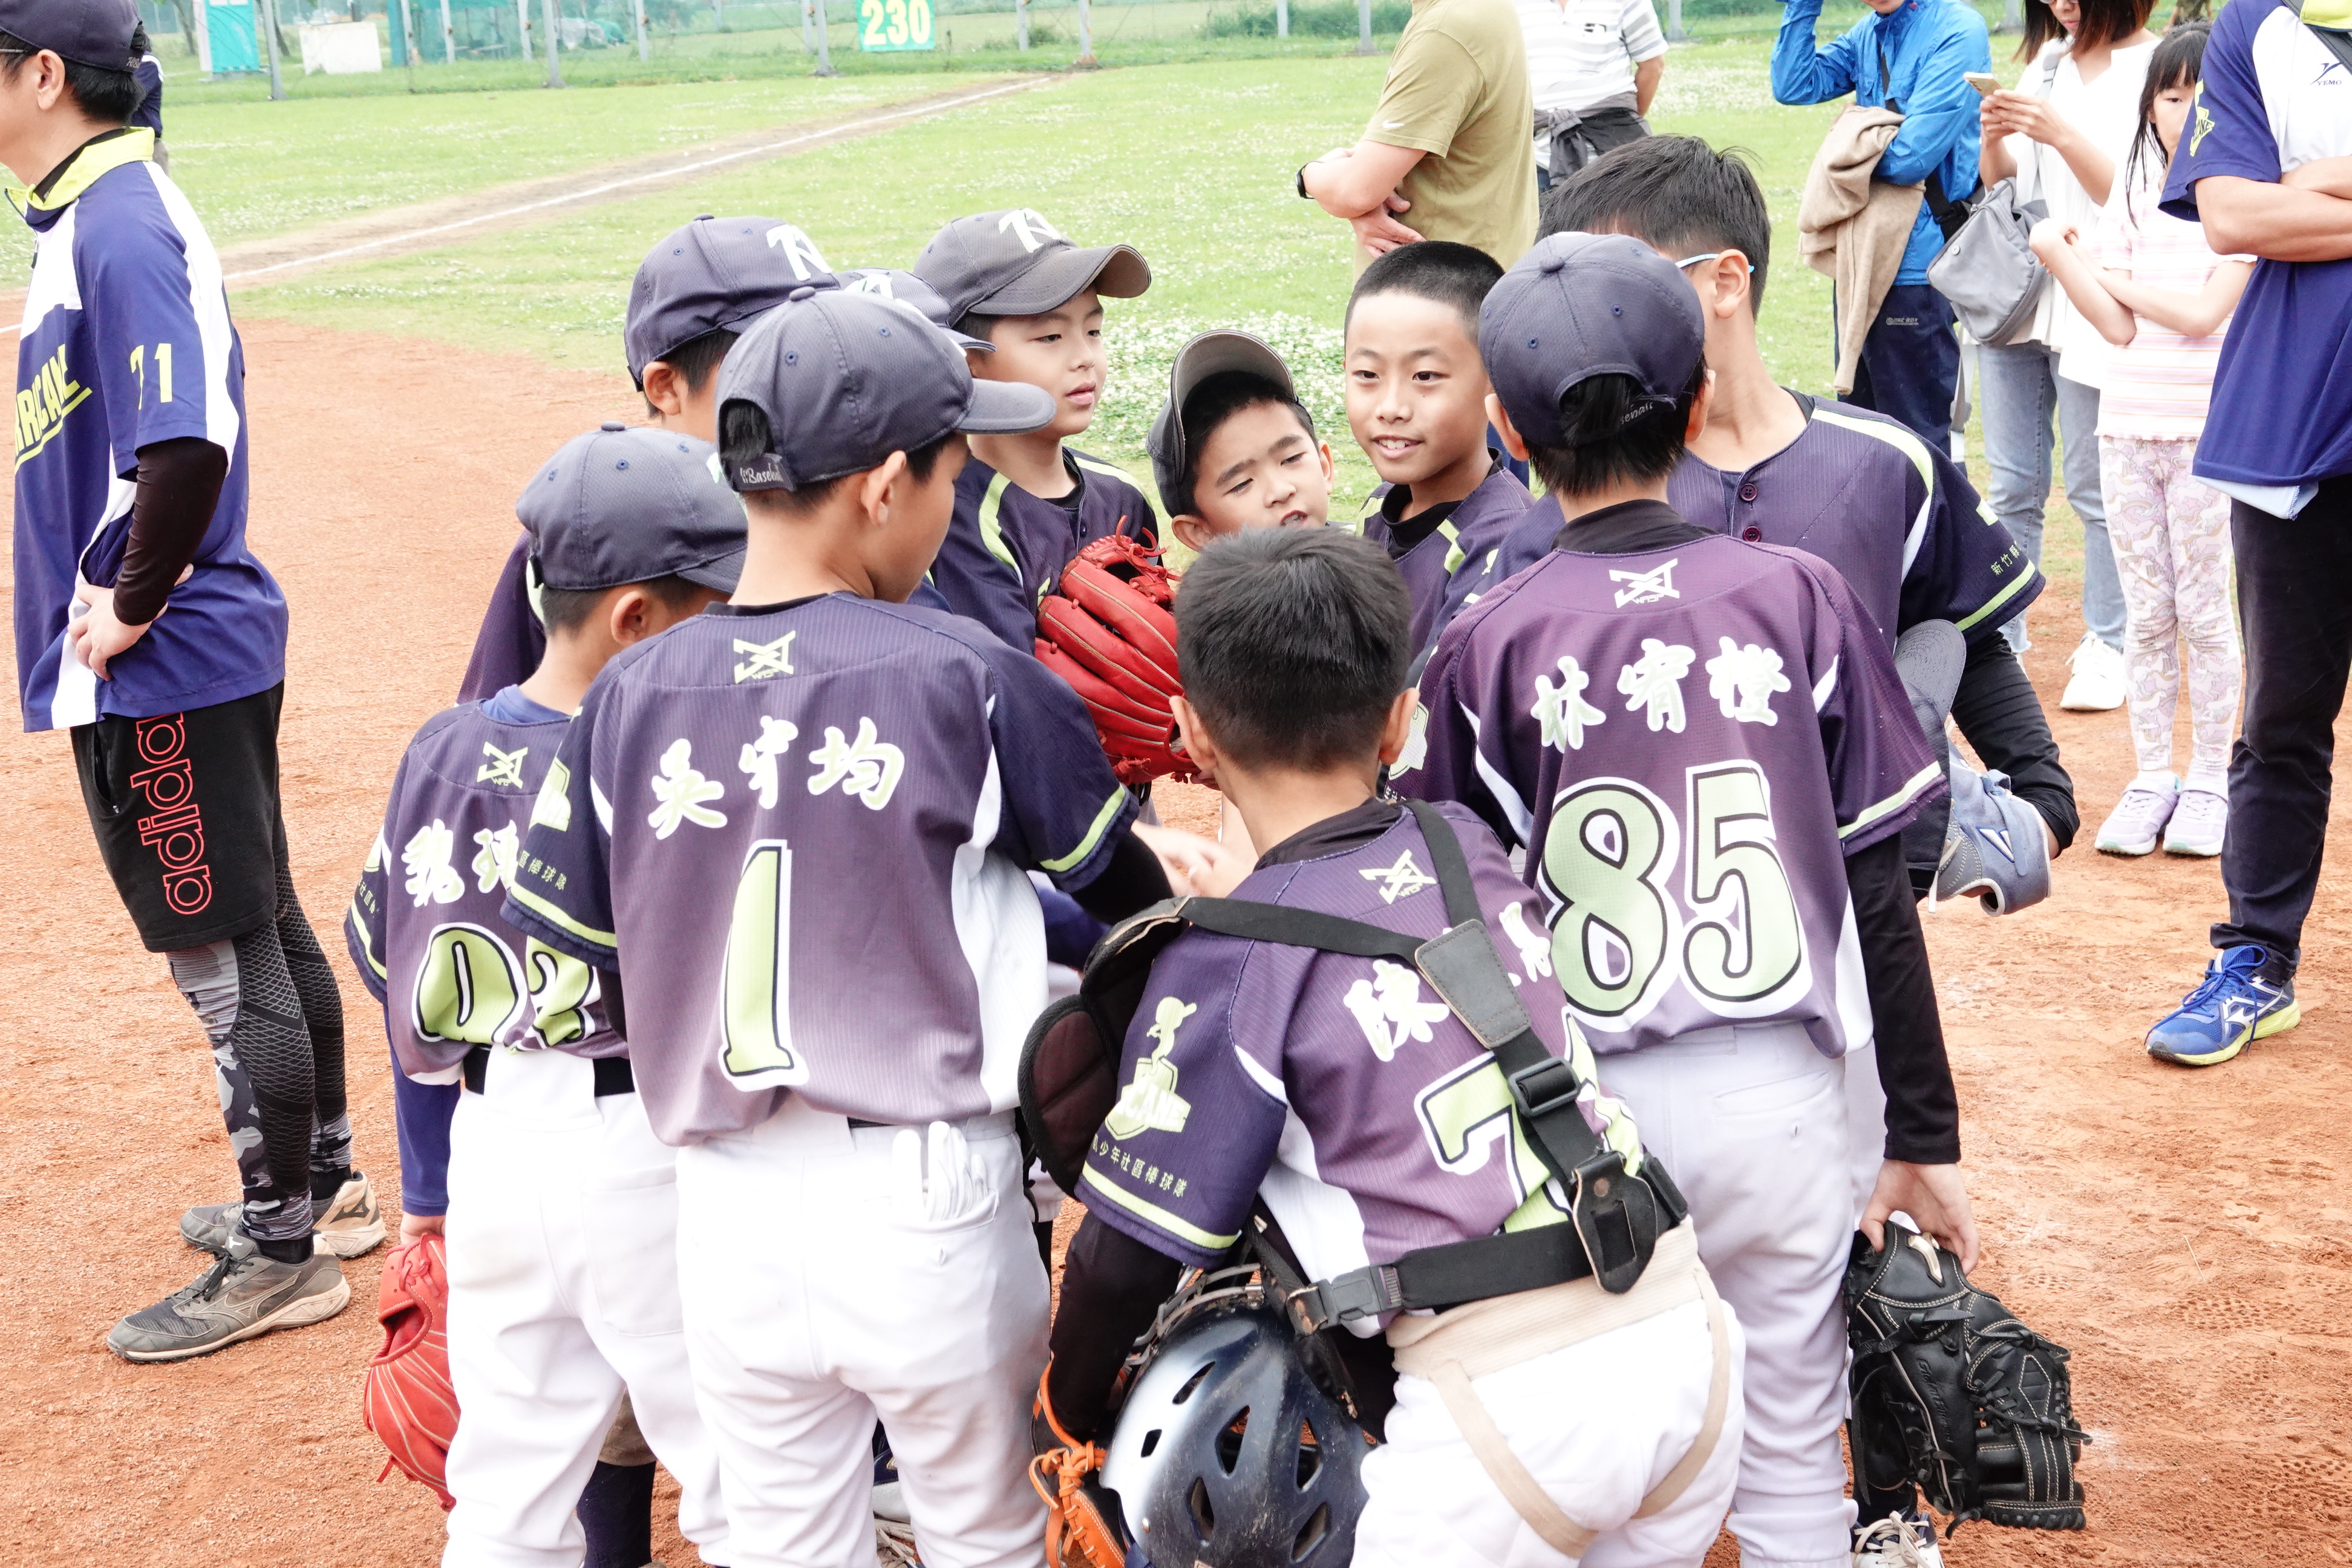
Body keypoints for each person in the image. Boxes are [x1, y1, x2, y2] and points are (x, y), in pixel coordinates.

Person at [500, 287, 1177, 1568]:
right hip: (926, 1199)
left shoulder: (626, 696)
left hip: (722, 1209)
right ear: (880, 488)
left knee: (785, 1544)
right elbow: (1129, 910)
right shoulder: (965, 673)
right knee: (984, 1534)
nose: (951, 500)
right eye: (950, 473)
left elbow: (580, 959)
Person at [1398, 232, 1977, 1568]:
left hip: (1581, 1115)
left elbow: (1451, 924)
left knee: (1610, 1456)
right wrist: (1922, 1130)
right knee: (1790, 1440)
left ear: (1509, 433)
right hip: (1784, 1097)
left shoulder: (1483, 640)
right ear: (1699, 403)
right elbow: (1877, 890)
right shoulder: (1799, 595)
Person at [1044, 528, 1743, 1567]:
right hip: (1690, 1335)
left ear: (1190, 732)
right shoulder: (1465, 843)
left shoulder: (1226, 958)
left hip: (1506, 1406)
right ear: (1398, 718)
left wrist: (1064, 1414)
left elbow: (1124, 1257)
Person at [1, 0, 365, 1360]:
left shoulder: (121, 223)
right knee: (261, 925)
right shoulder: (96, 214)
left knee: (224, 959)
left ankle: (281, 1253)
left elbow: (186, 444)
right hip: (190, 653)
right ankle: (323, 1187)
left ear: (44, 75)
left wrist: (131, 602)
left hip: (164, 663)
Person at [346, 423, 738, 1568]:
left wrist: (427, 1189)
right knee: (744, 1476)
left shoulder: (438, 748)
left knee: (506, 1492)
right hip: (648, 1155)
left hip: (495, 1148)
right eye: (716, 607)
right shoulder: (669, 764)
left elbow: (394, 972)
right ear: (637, 619)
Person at [1541, 136, 2078, 903]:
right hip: (1651, 907)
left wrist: (2040, 804)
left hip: (1854, 910)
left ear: (1726, 281)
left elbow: (1965, 635)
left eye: (1614, 288)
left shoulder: (1884, 461)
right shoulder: (1590, 490)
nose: (1586, 322)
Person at [2140, 0, 2352, 1068]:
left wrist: (2311, 187)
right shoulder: (2254, 26)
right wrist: (2271, 200)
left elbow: (2272, 209)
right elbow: (2230, 216)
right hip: (2293, 427)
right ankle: (2256, 960)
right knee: (2280, 712)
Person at [457, 213, 835, 703]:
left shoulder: (845, 496)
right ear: (666, 387)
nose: (810, 381)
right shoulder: (588, 532)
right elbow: (503, 724)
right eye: (773, 361)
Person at [2029, 25, 2247, 861]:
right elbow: (2116, 326)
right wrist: (2060, 258)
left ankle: (2211, 778)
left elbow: (2200, 315)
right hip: (2124, 430)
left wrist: (2112, 276)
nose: (2186, 111)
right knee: (2149, 614)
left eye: (2203, 96)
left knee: (2206, 613)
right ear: (2151, 105)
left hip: (2205, 438)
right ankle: (2154, 774)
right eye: (2171, 95)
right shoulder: (2129, 192)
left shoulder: (2241, 201)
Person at [1976, 0, 2159, 707]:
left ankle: (2109, 644)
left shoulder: (2159, 68)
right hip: (2018, 297)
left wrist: (2059, 132)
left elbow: (2137, 196)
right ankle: (2006, 644)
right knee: (2012, 486)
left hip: (2097, 294)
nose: (2059, 4)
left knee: (2097, 485)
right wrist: (1995, 136)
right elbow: (2004, 184)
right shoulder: (2047, 63)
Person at [911, 206, 1159, 651]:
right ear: (967, 360)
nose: (1085, 357)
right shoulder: (953, 521)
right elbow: (1001, 683)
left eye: (1094, 330)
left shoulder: (1122, 495)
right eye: (1050, 337)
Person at [1771, 0, 1990, 452]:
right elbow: (1794, 85)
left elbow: (1912, 157)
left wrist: (1847, 134)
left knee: (1919, 440)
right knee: (1859, 436)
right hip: (1862, 260)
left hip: (1921, 267)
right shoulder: (1866, 33)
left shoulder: (1958, 29)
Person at [1345, 240, 1534, 656]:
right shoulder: (1378, 507)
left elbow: (1437, 686)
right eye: (1368, 374)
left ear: (1495, 381)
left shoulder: (1505, 541)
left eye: (1425, 376)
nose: (1391, 407)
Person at [1296, 0, 1537, 269]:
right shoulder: (1475, 10)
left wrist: (1309, 175)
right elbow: (1370, 177)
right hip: (1474, 271)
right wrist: (1363, 198)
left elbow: (1355, 191)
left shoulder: (1444, 30)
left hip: (1437, 284)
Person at [1146, 330, 1336, 550]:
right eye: (1242, 484)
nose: (1281, 491)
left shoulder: (1370, 553)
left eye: (1292, 459)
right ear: (1199, 532)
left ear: (1324, 466)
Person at [1518, 0, 1666, 191]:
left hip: (1615, 158)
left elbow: (1653, 66)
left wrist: (1616, 122)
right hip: (1534, 160)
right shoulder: (1510, 6)